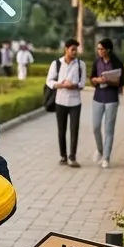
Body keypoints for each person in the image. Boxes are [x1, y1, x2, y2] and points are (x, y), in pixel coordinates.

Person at [46, 39, 86, 167]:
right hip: (60, 101)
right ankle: (63, 156)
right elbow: (49, 81)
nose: (74, 52)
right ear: (66, 49)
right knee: (61, 130)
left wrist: (73, 85)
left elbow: (82, 84)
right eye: (72, 49)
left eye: (76, 50)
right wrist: (60, 85)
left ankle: (72, 157)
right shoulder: (56, 63)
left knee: (74, 130)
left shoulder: (80, 64)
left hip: (75, 101)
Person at [90, 38, 124, 168]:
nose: (99, 51)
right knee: (95, 127)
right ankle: (99, 150)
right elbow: (91, 78)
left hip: (111, 99)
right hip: (98, 97)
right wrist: (97, 80)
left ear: (108, 49)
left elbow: (121, 82)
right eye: (98, 49)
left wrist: (108, 81)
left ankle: (106, 157)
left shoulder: (117, 64)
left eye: (102, 49)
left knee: (109, 130)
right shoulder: (96, 62)